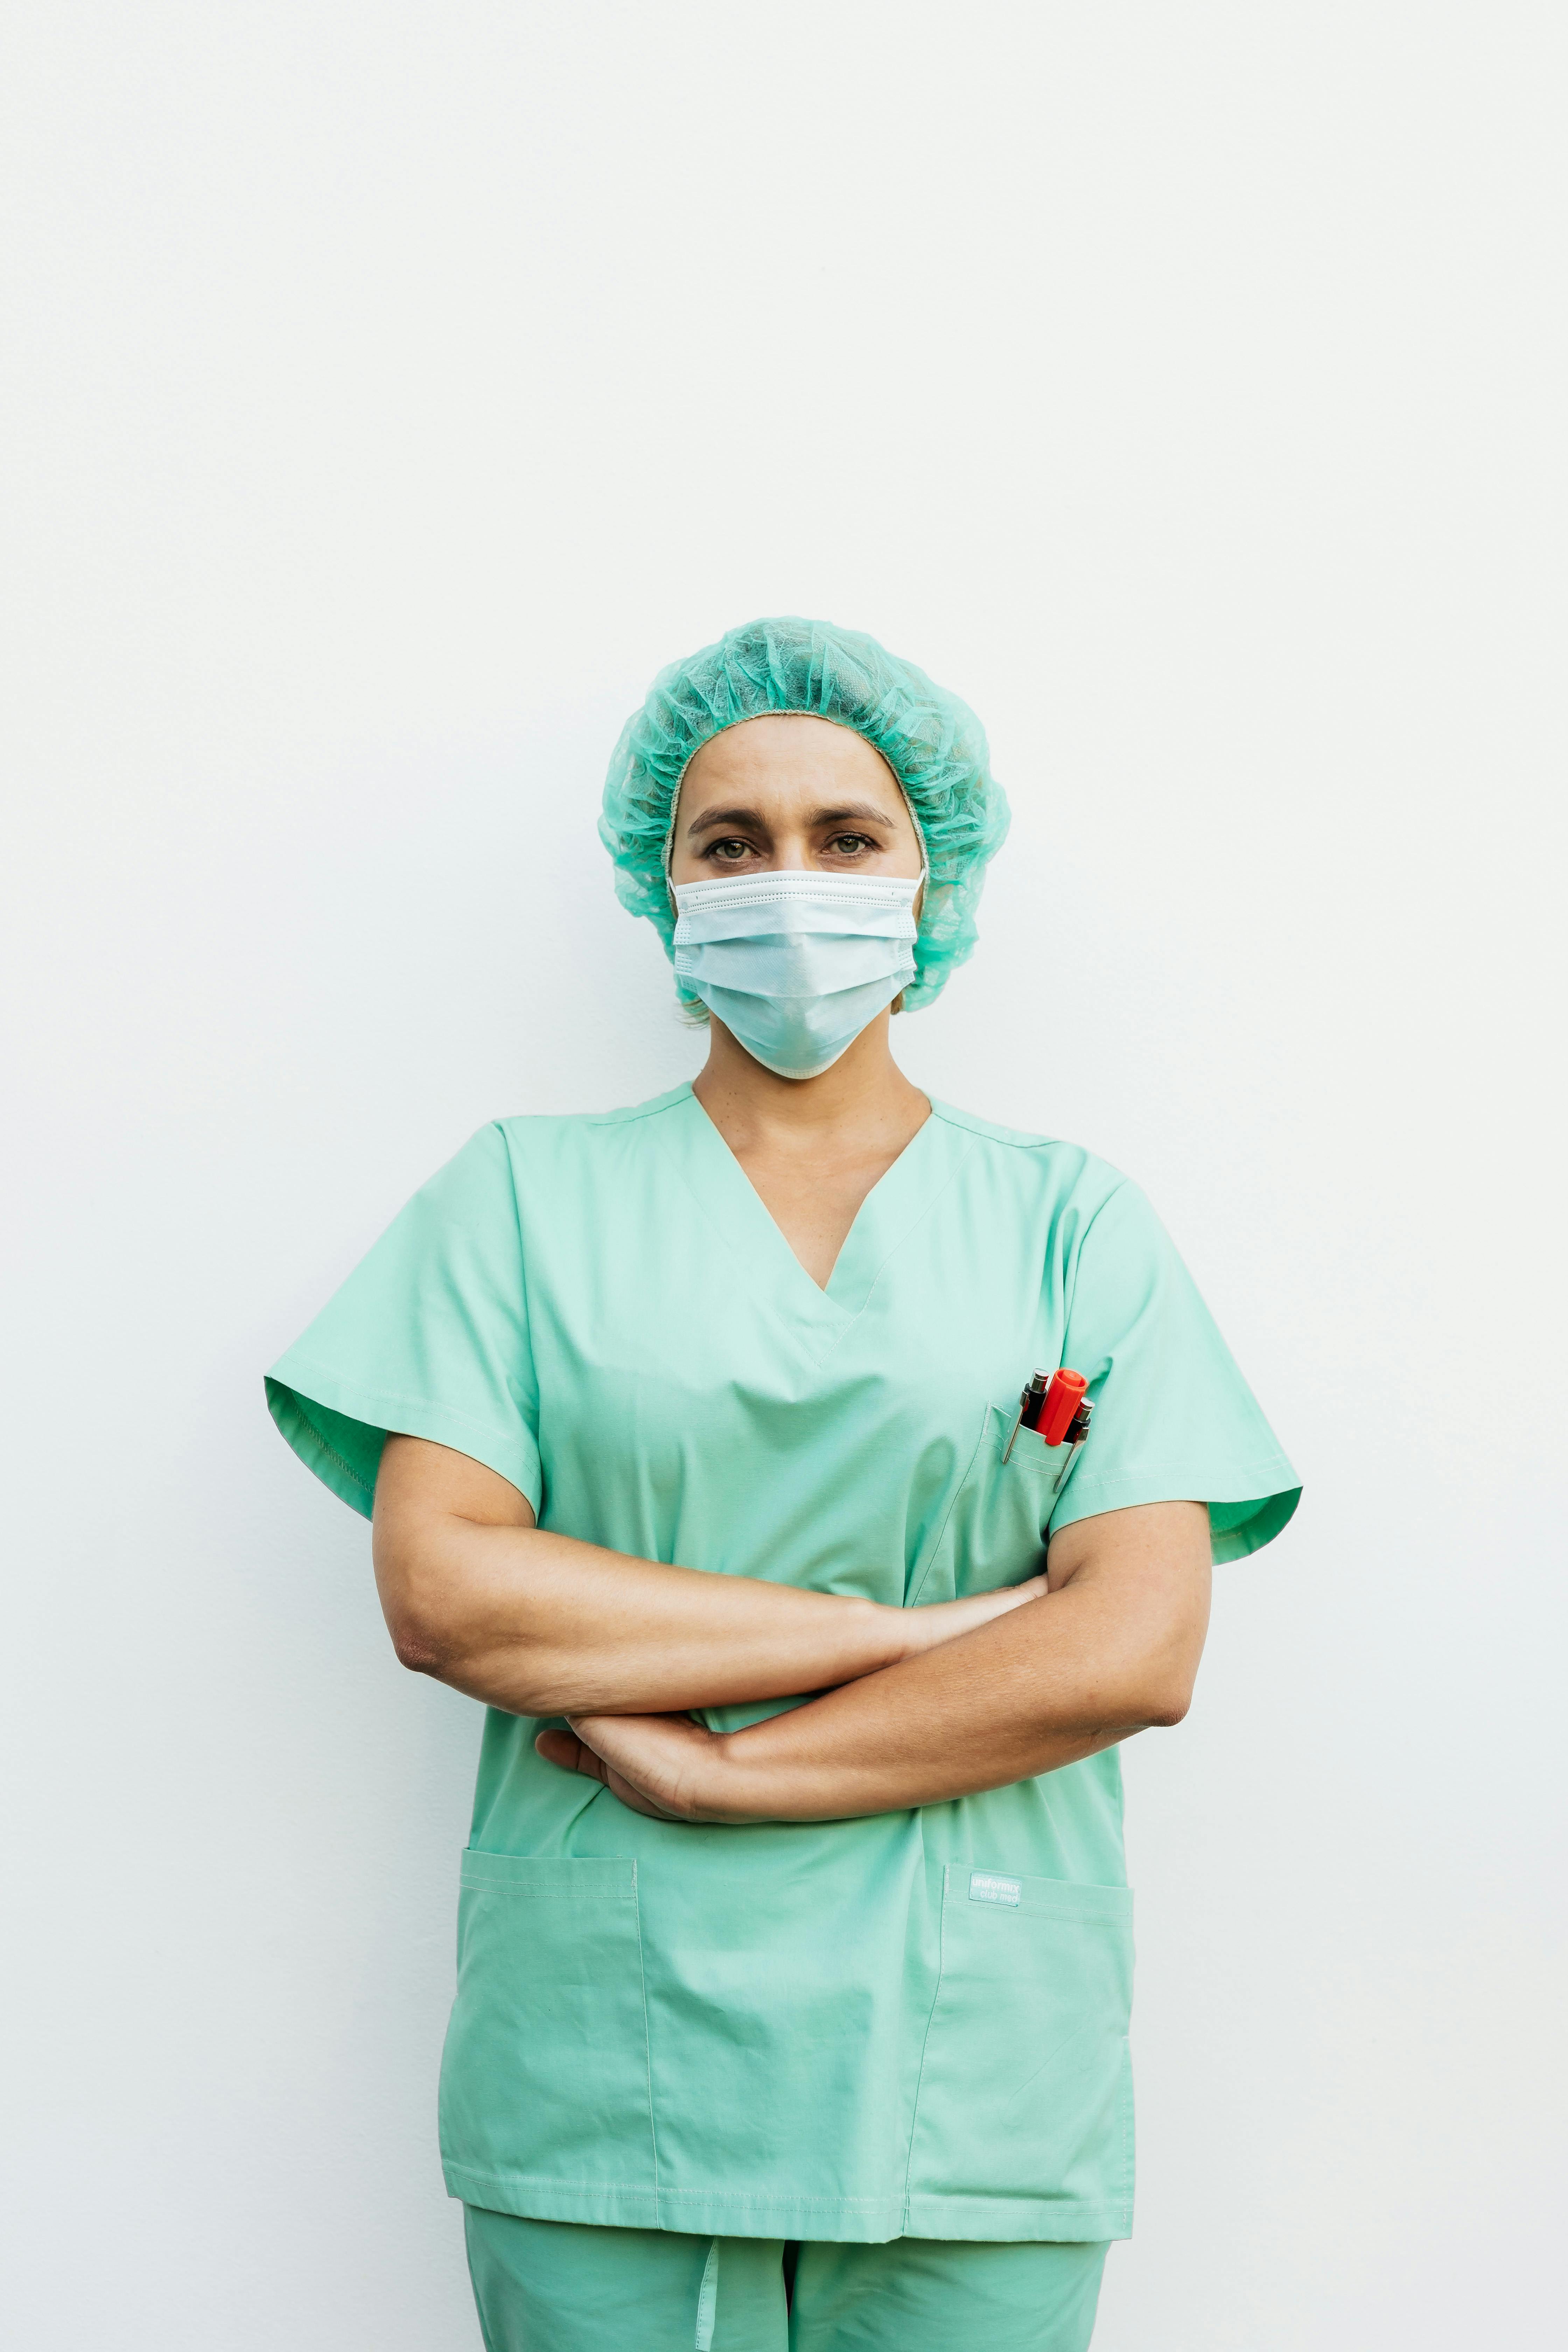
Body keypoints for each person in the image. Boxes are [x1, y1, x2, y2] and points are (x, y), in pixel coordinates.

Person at [266, 617, 1299, 2352]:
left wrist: (730, 1785)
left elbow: (1131, 1652)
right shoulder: (519, 1199)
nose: (789, 883)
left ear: (935, 881)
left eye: (848, 839)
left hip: (969, 2071)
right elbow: (448, 1595)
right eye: (730, 844)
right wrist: (918, 1633)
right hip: (613, 2055)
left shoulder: (1068, 1221)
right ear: (660, 889)